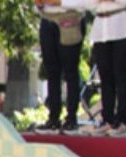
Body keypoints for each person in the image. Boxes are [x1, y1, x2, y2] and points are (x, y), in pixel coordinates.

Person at [44, 0, 126, 133]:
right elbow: (86, 3)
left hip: (125, 24)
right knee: (105, 76)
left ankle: (122, 120)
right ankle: (107, 119)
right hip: (102, 27)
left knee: (121, 74)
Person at [35, 2, 87, 131]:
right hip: (47, 19)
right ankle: (53, 118)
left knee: (70, 72)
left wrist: (58, 2)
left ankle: (71, 118)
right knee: (51, 72)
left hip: (70, 19)